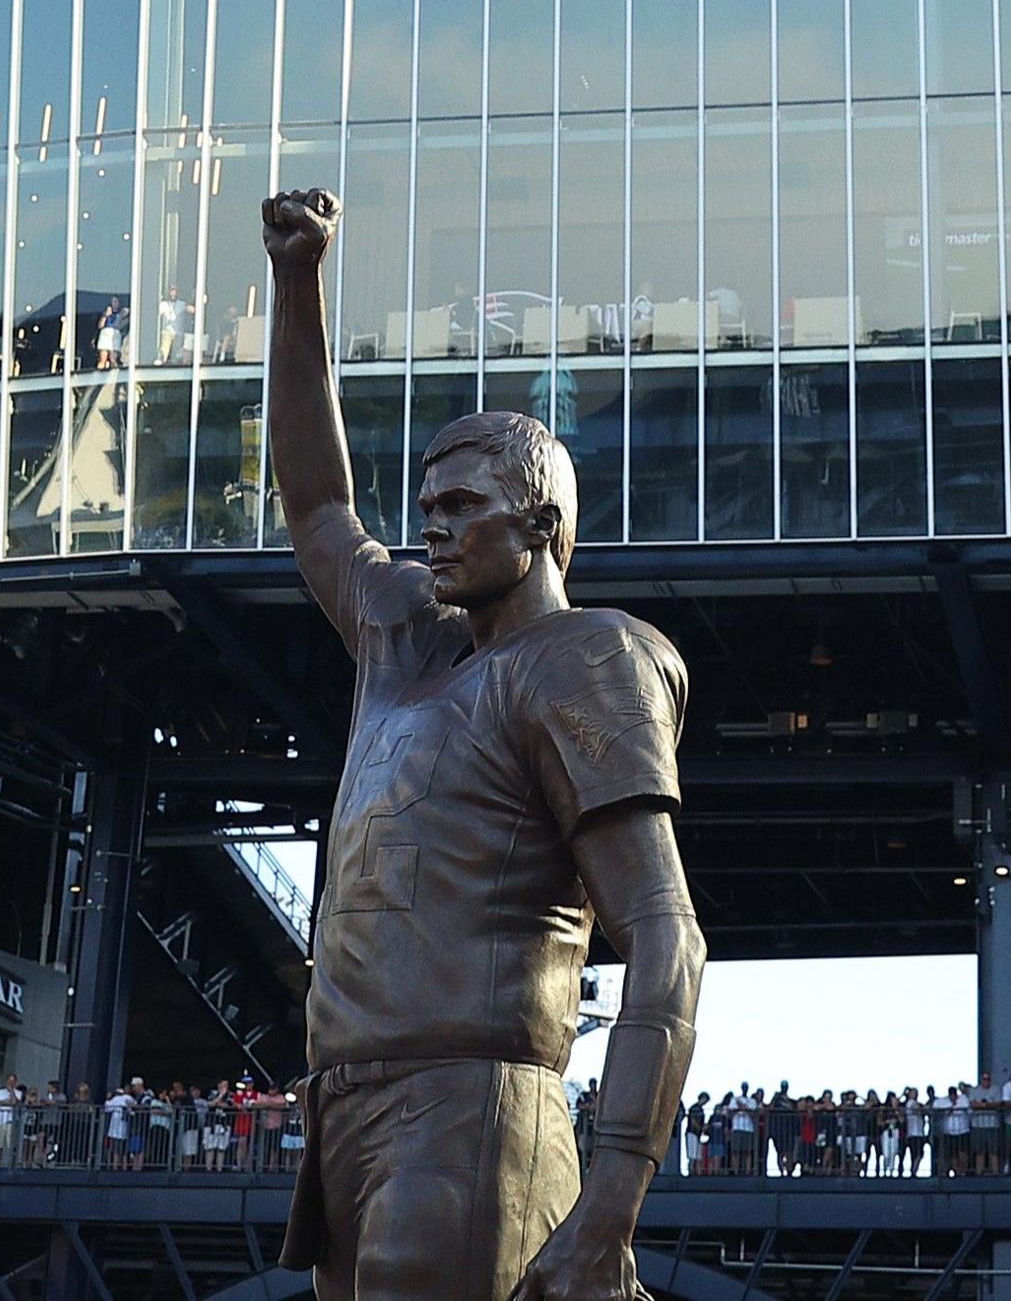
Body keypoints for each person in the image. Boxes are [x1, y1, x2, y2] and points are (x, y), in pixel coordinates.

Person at [257, 185, 703, 1297]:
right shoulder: (403, 640)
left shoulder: (585, 658)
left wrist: (608, 1215)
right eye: (428, 503)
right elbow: (317, 508)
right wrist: (298, 282)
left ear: (542, 526)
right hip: (346, 1110)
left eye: (463, 505)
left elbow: (666, 935)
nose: (434, 525)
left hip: (472, 1110)